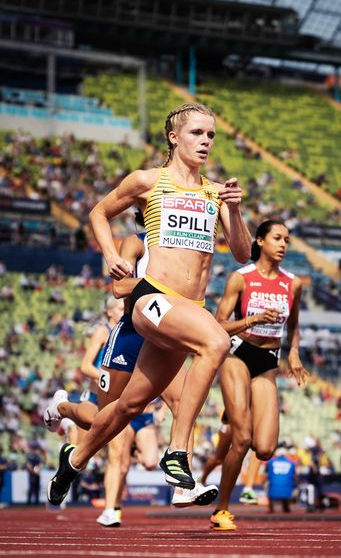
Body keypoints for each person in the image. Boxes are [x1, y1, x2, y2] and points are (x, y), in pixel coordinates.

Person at [47, 101, 251, 506]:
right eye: (197, 133)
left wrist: (234, 209)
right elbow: (99, 213)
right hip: (152, 301)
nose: (206, 141)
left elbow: (243, 254)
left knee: (129, 406)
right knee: (215, 343)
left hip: (187, 311)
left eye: (211, 135)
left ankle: (75, 459)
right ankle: (178, 454)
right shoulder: (148, 181)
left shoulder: (215, 193)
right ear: (174, 137)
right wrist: (111, 255)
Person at [209, 219, 309, 531]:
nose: (283, 244)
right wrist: (252, 319)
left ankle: (239, 406)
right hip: (238, 354)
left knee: (264, 449)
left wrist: (293, 351)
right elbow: (218, 325)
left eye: (287, 240)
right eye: (277, 238)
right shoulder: (240, 279)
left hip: (268, 360)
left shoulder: (293, 284)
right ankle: (221, 510)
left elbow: (293, 325)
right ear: (261, 242)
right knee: (242, 438)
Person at [266, 446, 297, 513]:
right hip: (287, 490)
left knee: (267, 484)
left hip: (273, 489)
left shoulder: (270, 462)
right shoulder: (292, 463)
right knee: (289, 483)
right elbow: (295, 476)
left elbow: (267, 475)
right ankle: (286, 507)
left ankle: (271, 507)